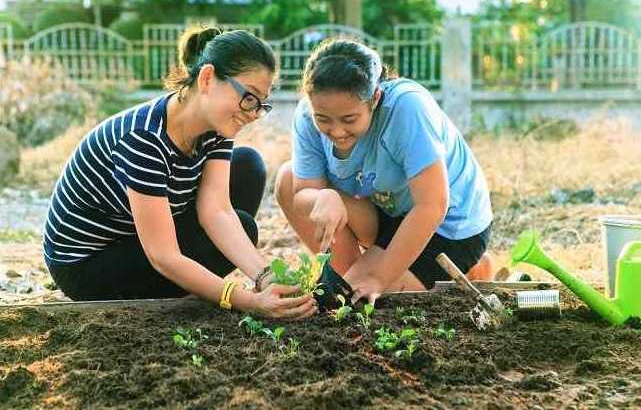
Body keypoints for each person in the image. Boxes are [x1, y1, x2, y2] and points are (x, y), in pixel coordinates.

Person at [43, 27, 316, 319]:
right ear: (208, 78)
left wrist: (266, 278)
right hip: (87, 265)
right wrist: (246, 301)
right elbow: (163, 256)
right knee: (243, 228)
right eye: (248, 98)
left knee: (246, 167)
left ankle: (194, 283)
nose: (252, 113)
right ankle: (193, 285)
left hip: (139, 236)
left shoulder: (216, 128)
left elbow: (217, 212)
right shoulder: (143, 138)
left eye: (260, 104)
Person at [275, 39, 494, 305]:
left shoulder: (407, 108)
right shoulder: (307, 117)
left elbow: (432, 205)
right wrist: (323, 197)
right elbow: (300, 194)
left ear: (375, 98)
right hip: (387, 210)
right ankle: (354, 273)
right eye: (323, 119)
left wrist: (378, 279)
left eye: (349, 119)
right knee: (288, 179)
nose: (336, 131)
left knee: (370, 298)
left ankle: (472, 268)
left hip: (448, 224)